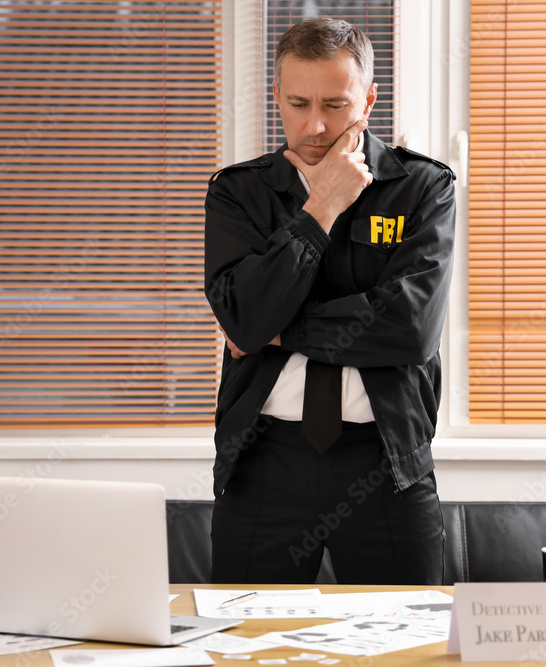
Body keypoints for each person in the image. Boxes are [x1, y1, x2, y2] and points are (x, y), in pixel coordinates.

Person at [204, 17, 455, 585]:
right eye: (298, 103)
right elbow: (243, 317)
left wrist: (276, 331)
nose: (314, 125)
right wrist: (322, 208)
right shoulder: (236, 194)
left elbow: (411, 329)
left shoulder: (423, 188)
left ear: (368, 98)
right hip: (264, 461)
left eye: (336, 105)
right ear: (277, 98)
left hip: (386, 460)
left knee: (406, 643)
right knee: (243, 642)